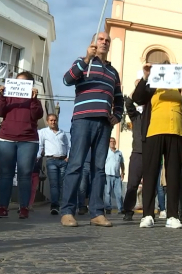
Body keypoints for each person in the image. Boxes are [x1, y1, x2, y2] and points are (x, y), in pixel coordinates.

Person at [60, 32, 124, 227]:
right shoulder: (82, 62)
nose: (104, 43)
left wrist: (118, 116)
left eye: (107, 41)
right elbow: (66, 80)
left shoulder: (113, 72)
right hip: (82, 120)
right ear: (93, 43)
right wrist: (87, 58)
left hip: (104, 124)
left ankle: (97, 212)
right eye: (101, 39)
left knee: (99, 169)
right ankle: (67, 211)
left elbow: (119, 98)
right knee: (76, 164)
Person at [132, 61, 182, 229]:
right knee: (150, 173)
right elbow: (137, 98)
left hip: (176, 133)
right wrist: (146, 76)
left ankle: (173, 215)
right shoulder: (152, 86)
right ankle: (147, 214)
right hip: (153, 133)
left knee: (174, 175)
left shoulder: (179, 89)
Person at [0, 71, 43, 219]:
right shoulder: (8, 96)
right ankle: (2, 206)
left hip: (28, 140)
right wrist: (1, 95)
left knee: (25, 175)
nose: (19, 85)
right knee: (5, 175)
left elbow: (37, 115)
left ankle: (24, 207)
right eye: (17, 82)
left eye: (23, 82)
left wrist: (34, 99)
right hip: (6, 139)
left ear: (30, 85)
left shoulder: (34, 99)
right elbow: (0, 111)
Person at [38, 114, 69, 215]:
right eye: (51, 120)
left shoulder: (62, 133)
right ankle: (54, 206)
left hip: (63, 161)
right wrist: (37, 156)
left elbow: (68, 146)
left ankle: (63, 205)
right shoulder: (43, 132)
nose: (53, 122)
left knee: (62, 185)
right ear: (47, 121)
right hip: (51, 160)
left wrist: (68, 157)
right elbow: (40, 146)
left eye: (55, 120)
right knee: (54, 184)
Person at [123, 87, 144, 221]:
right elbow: (129, 104)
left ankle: (148, 212)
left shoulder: (155, 117)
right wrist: (136, 90)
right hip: (137, 153)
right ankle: (128, 211)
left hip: (152, 154)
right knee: (132, 184)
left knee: (150, 186)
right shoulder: (136, 117)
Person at [104, 137, 125, 214]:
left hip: (117, 176)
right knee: (107, 192)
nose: (112, 142)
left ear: (115, 142)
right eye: (110, 141)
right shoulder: (106, 151)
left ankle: (121, 208)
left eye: (113, 141)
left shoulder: (119, 153)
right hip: (107, 175)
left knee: (119, 193)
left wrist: (123, 172)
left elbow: (122, 163)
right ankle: (108, 208)